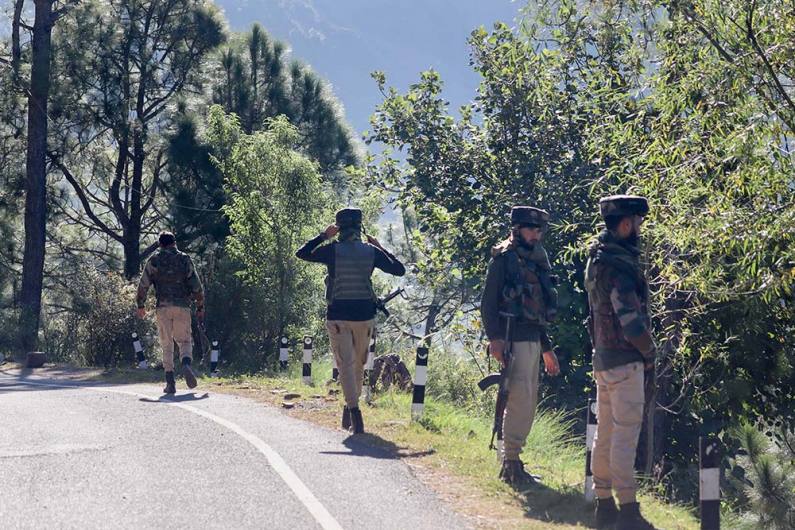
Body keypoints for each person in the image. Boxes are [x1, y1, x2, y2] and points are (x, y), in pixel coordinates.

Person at [296, 208, 405, 434]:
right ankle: (354, 410)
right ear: (360, 226)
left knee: (344, 364)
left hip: (337, 316)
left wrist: (323, 236)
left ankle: (351, 409)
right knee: (357, 366)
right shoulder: (371, 252)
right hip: (365, 317)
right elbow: (399, 270)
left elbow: (302, 253)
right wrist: (380, 247)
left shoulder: (332, 250)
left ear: (339, 227)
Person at [584, 195, 656, 530]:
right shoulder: (620, 267)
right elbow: (631, 321)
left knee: (606, 433)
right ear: (625, 224)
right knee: (625, 434)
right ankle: (628, 510)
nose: (640, 229)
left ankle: (604, 504)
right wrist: (649, 351)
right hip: (626, 361)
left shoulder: (596, 260)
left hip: (602, 358)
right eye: (637, 223)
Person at [481, 206, 561, 487]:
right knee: (518, 401)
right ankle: (511, 464)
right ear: (517, 229)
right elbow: (488, 303)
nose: (536, 234)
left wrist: (547, 348)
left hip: (531, 340)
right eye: (531, 229)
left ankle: (513, 461)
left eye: (539, 230)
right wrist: (495, 340)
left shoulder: (538, 259)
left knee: (527, 402)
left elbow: (537, 309)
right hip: (512, 338)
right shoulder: (504, 260)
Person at [136, 231, 205, 394]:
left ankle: (170, 383)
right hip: (182, 306)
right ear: (174, 243)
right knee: (185, 341)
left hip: (163, 307)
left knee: (167, 344)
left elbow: (143, 284)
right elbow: (197, 286)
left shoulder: (154, 260)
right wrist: (200, 307)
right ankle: (186, 364)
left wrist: (141, 305)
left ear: (160, 244)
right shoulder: (185, 259)